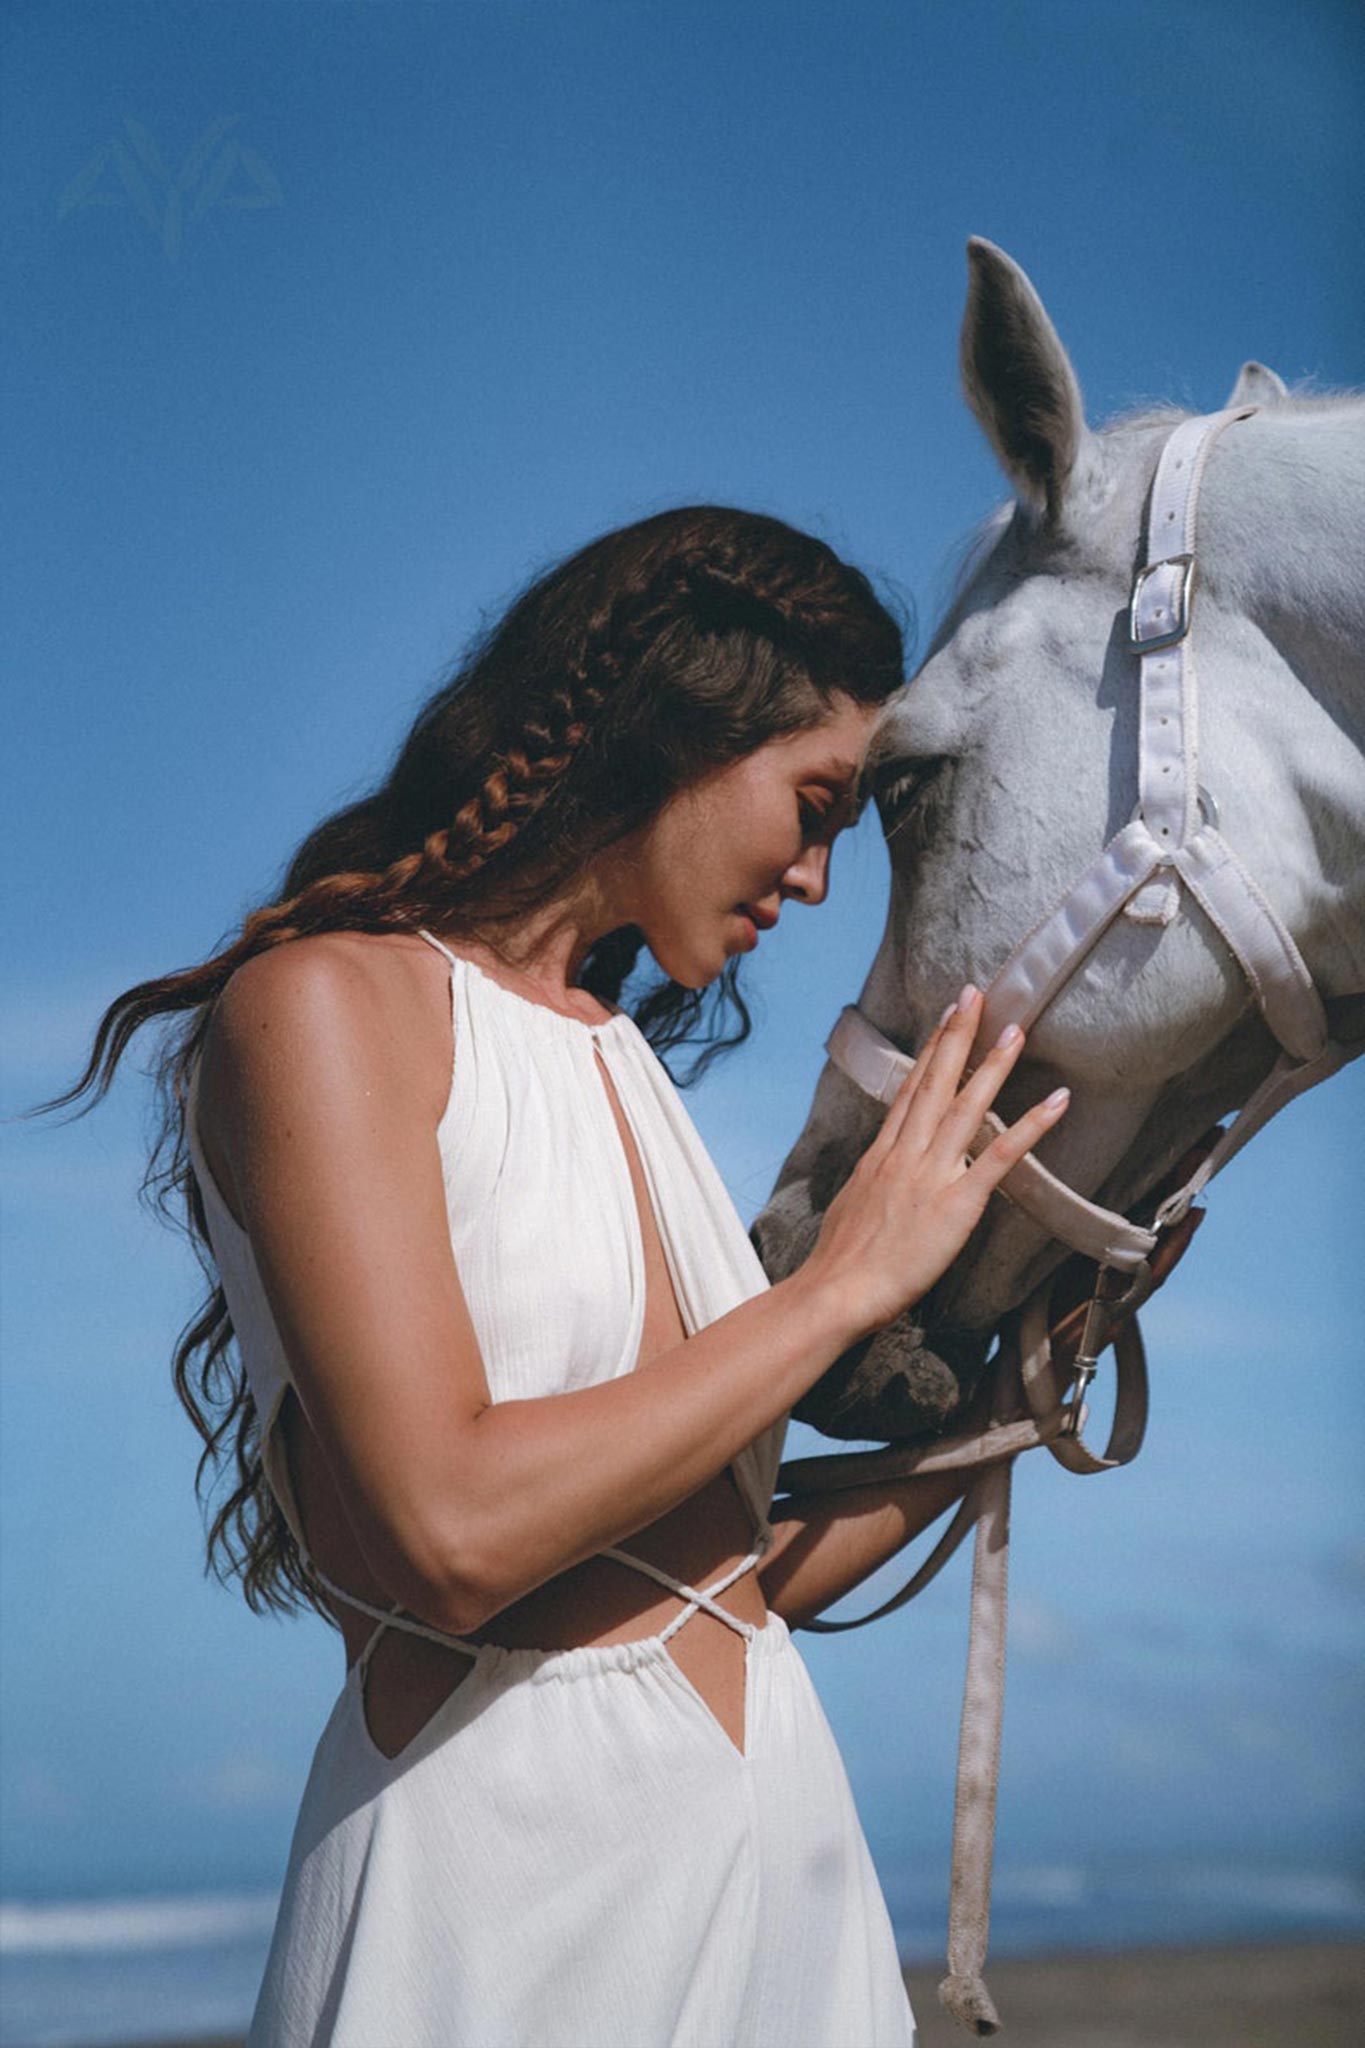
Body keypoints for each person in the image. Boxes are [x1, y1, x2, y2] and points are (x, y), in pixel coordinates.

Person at [59, 505, 1067, 2047]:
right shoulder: (323, 1008)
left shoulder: (624, 1063)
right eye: (809, 806)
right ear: (673, 724)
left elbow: (713, 1580)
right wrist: (838, 1286)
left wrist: (1011, 1401)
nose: (812, 881)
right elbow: (451, 1534)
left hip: (774, 1862)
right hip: (503, 1889)